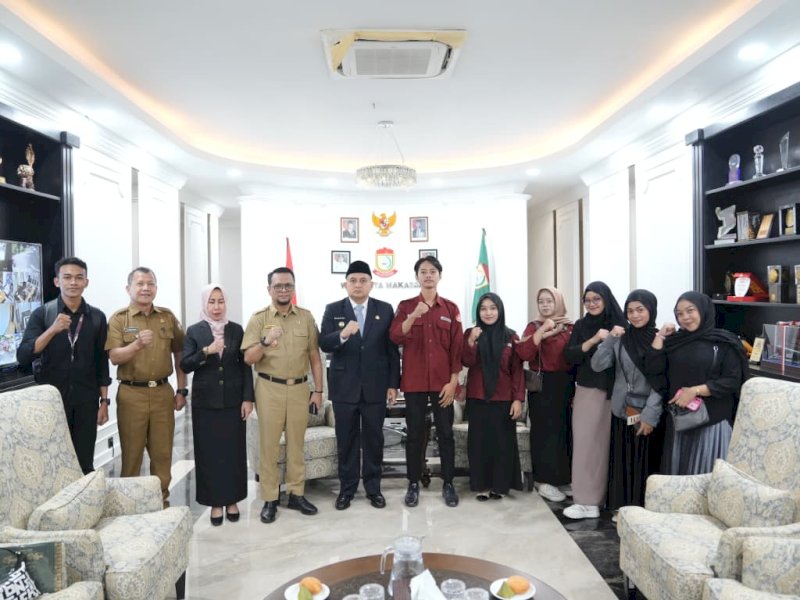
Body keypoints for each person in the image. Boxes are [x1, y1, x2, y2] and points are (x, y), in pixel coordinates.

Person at [242, 267, 324, 524]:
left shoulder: (306, 317)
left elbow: (314, 357)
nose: (283, 290)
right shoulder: (259, 319)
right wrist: (265, 341)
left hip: (300, 388)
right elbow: (248, 358)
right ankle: (270, 498)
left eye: (288, 285)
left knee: (297, 444)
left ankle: (296, 494)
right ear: (269, 289)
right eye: (278, 286)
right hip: (269, 388)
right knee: (269, 445)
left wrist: (318, 391)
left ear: (294, 288)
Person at [17, 257, 111, 474]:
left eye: (79, 278)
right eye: (67, 277)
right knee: (52, 462)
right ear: (57, 281)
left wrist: (104, 402)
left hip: (86, 401)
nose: (73, 282)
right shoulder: (43, 314)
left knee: (85, 463)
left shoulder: (97, 317)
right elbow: (23, 355)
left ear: (86, 282)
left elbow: (101, 363)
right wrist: (52, 330)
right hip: (51, 401)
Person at [319, 260, 400, 510]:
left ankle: (374, 489)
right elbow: (324, 343)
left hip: (375, 387)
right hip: (344, 388)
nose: (358, 285)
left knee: (374, 439)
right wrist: (343, 334)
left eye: (363, 280)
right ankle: (347, 489)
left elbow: (391, 351)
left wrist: (393, 384)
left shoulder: (384, 309)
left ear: (371, 284)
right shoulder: (334, 309)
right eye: (353, 280)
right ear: (345, 284)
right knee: (347, 440)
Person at [106, 267, 187, 506]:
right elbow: (114, 357)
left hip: (163, 393)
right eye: (140, 284)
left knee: (162, 454)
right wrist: (137, 345)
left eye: (150, 284)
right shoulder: (120, 319)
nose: (145, 288)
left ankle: (161, 501)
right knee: (132, 454)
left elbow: (179, 354)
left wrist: (182, 389)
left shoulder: (167, 317)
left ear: (156, 288)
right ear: (128, 288)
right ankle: (129, 505)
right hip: (131, 394)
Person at [646, 291, 748, 475]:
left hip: (712, 420)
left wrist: (695, 390)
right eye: (679, 313)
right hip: (680, 420)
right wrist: (660, 336)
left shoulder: (724, 342)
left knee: (707, 476)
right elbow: (653, 369)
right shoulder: (675, 341)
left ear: (703, 309)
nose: (685, 317)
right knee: (680, 478)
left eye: (690, 310)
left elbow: (733, 380)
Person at [390, 256, 463, 508]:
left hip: (443, 384)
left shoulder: (450, 308)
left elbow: (457, 349)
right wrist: (413, 316)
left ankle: (448, 483)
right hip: (415, 383)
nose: (428, 275)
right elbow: (395, 336)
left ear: (440, 276)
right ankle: (413, 483)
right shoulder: (406, 306)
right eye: (423, 271)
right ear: (417, 277)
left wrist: (453, 382)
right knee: (414, 434)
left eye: (433, 271)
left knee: (445, 434)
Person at [180, 284, 254, 526]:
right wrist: (206, 352)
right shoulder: (194, 331)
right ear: (205, 303)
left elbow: (245, 367)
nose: (216, 306)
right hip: (205, 404)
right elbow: (185, 364)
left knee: (233, 453)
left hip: (233, 402)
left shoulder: (236, 330)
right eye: (211, 301)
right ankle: (215, 503)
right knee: (209, 454)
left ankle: (232, 500)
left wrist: (248, 398)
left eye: (220, 301)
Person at [590, 289, 666, 515]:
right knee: (623, 459)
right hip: (623, 408)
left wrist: (650, 414)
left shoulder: (661, 339)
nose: (635, 315)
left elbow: (662, 381)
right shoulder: (622, 338)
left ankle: (642, 510)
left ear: (651, 310)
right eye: (630, 311)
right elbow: (597, 364)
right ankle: (621, 508)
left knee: (645, 460)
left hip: (649, 411)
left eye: (640, 310)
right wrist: (610, 338)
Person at [562, 281, 625, 519]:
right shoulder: (582, 325)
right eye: (587, 300)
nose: (592, 304)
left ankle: (608, 499)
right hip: (589, 390)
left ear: (606, 299)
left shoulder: (621, 324)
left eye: (596, 299)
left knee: (612, 446)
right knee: (586, 445)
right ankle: (586, 500)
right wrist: (595, 339)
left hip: (618, 393)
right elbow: (570, 355)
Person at [461, 293, 524, 500]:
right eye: (483, 309)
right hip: (478, 397)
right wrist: (471, 341)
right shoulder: (471, 333)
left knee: (502, 444)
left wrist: (517, 399)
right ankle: (481, 485)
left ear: (500, 310)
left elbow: (517, 370)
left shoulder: (511, 337)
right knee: (479, 444)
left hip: (503, 398)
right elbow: (466, 361)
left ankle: (500, 486)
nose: (488, 313)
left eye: (492, 308)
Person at [515, 287, 574, 503]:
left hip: (566, 384)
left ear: (558, 302)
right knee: (544, 433)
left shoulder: (569, 327)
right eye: (541, 301)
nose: (545, 305)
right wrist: (542, 330)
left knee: (565, 432)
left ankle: (563, 478)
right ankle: (543, 480)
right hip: (542, 385)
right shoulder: (534, 326)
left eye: (550, 301)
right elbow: (523, 353)